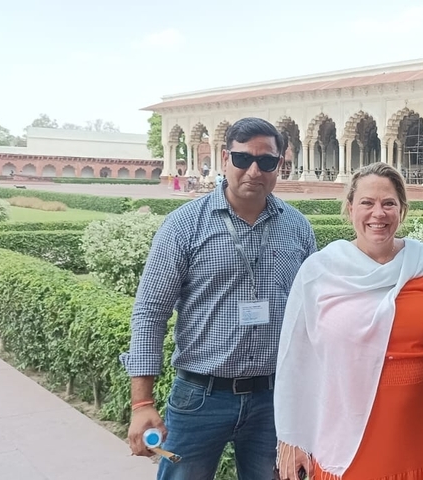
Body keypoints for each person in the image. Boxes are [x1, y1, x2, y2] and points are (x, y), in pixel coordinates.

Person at [121, 117, 317, 480]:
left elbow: (312, 317)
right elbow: (150, 313)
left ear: (280, 165)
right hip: (200, 396)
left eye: (267, 161)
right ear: (225, 158)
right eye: (243, 160)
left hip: (274, 400)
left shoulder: (297, 227)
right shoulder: (184, 225)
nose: (254, 171)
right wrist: (142, 404)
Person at [275, 162, 423, 480]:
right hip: (348, 449)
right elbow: (296, 359)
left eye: (388, 203)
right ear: (350, 208)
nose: (378, 213)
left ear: (402, 210)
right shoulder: (321, 271)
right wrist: (292, 438)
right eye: (367, 202)